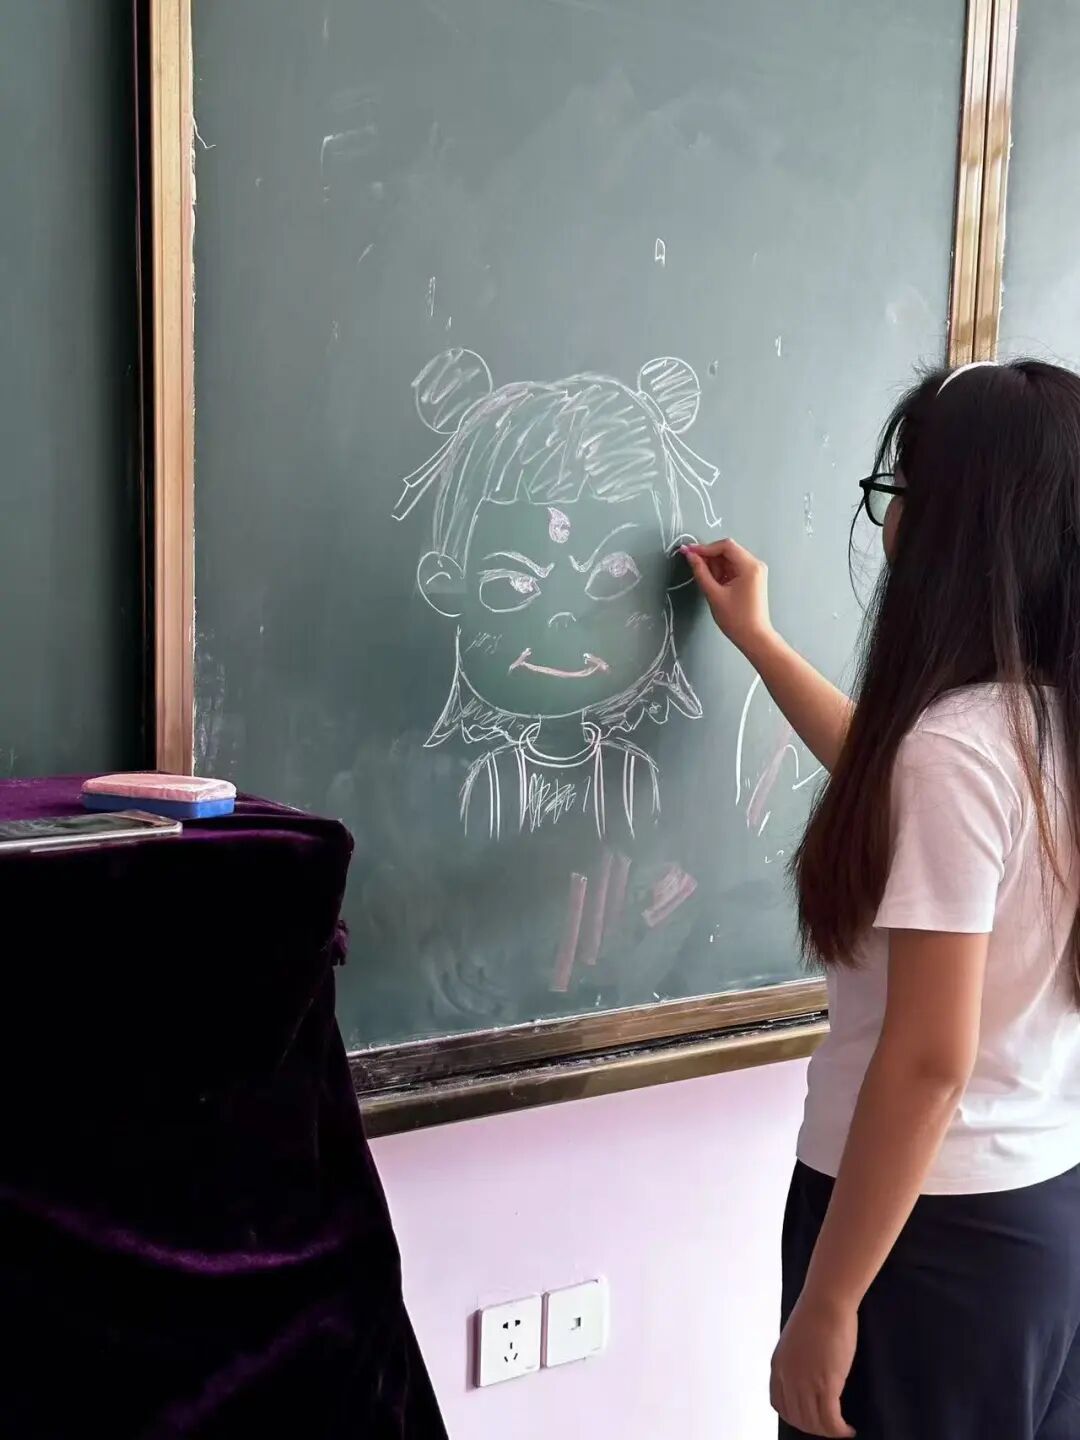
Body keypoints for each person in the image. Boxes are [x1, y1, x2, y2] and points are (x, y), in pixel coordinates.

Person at [685, 358, 1080, 1440]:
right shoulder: (1038, 729)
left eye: (900, 488)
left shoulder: (958, 751)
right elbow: (901, 784)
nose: (889, 516)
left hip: (919, 1236)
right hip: (1037, 1213)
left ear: (951, 526)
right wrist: (761, 644)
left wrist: (829, 1300)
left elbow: (928, 1060)